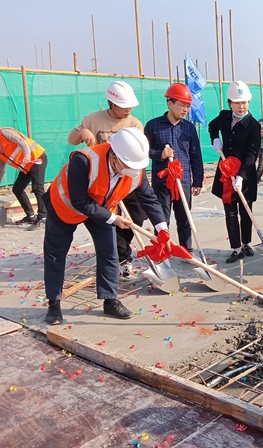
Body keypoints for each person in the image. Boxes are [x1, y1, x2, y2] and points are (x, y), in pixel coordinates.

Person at [43, 128, 170, 325]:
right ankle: (54, 304)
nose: (133, 170)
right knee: (55, 255)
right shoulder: (84, 161)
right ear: (114, 155)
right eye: (129, 165)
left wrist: (162, 229)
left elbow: (149, 198)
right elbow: (79, 201)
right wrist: (113, 218)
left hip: (102, 209)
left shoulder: (135, 168)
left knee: (109, 253)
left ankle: (110, 300)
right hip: (64, 207)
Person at [68, 80, 146, 279]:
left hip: (127, 179)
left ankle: (122, 250)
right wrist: (82, 132)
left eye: (131, 106)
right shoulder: (92, 120)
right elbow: (72, 139)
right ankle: (122, 257)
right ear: (111, 103)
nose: (128, 109)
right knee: (109, 219)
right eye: (124, 106)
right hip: (102, 180)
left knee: (136, 216)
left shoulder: (135, 124)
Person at [144, 83, 203, 254]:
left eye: (188, 106)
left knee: (185, 219)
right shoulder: (153, 126)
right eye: (182, 105)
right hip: (162, 182)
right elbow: (144, 151)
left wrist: (197, 181)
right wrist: (160, 154)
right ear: (170, 103)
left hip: (183, 181)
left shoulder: (189, 128)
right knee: (162, 220)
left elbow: (196, 155)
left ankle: (186, 251)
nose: (185, 110)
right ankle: (162, 251)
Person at [208, 81, 260, 263]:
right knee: (230, 211)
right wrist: (215, 139)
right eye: (237, 103)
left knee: (246, 210)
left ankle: (246, 243)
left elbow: (252, 154)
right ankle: (236, 248)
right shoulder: (224, 117)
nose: (241, 106)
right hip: (225, 172)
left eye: (244, 102)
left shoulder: (253, 125)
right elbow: (212, 126)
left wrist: (241, 176)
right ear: (230, 103)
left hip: (245, 174)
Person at [0, 127, 47, 225]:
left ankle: (43, 217)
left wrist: (27, 156)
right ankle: (30, 216)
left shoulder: (4, 133)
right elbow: (1, 170)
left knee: (38, 188)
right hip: (27, 166)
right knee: (17, 189)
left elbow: (22, 142)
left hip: (36, 158)